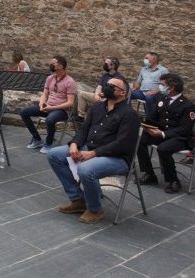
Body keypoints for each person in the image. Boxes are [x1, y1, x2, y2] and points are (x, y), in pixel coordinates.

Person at [47, 76, 139, 224]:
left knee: (85, 169)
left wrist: (93, 153)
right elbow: (83, 130)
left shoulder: (129, 114)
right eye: (107, 85)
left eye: (112, 86)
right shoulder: (97, 107)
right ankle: (78, 199)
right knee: (54, 155)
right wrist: (74, 144)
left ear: (123, 93)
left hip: (117, 157)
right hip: (89, 148)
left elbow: (122, 144)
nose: (107, 87)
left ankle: (95, 210)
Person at [135, 73, 195, 193]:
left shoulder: (187, 105)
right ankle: (150, 173)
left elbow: (185, 129)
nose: (160, 87)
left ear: (171, 87)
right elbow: (153, 118)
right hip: (161, 133)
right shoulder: (163, 100)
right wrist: (145, 125)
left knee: (163, 149)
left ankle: (173, 180)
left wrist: (163, 134)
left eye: (162, 85)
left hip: (180, 138)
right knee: (139, 140)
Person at [19, 55, 76, 153]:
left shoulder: (70, 81)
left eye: (53, 63)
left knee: (50, 120)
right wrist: (42, 104)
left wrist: (52, 107)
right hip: (48, 106)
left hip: (61, 110)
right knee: (24, 112)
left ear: (61, 66)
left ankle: (49, 144)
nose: (50, 65)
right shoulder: (50, 78)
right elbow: (45, 94)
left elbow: (70, 103)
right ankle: (37, 139)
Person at [131, 52, 169, 120]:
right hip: (142, 92)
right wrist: (134, 87)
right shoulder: (144, 69)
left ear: (154, 59)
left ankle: (150, 120)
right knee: (127, 93)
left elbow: (166, 86)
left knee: (149, 98)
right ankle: (126, 114)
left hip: (157, 94)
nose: (144, 59)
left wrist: (156, 91)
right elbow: (138, 82)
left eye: (146, 58)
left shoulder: (163, 70)